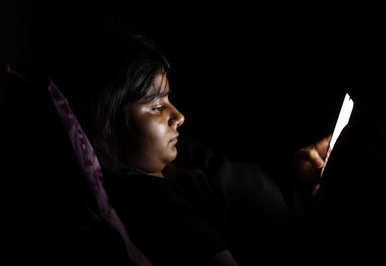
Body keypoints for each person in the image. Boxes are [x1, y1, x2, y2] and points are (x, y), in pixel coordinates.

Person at [71, 33, 331, 266]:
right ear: (111, 125)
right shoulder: (155, 201)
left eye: (168, 99)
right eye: (156, 107)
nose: (179, 116)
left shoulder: (175, 151)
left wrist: (295, 176)